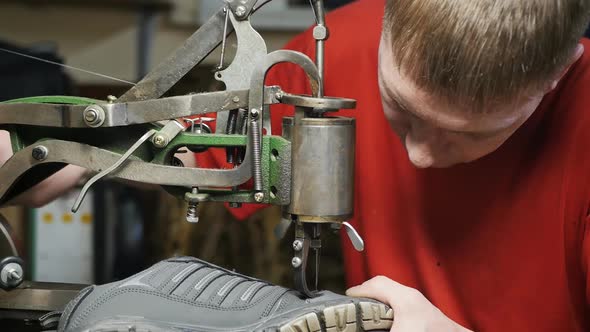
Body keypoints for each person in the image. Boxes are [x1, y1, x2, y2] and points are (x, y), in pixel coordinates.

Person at [3, 0, 590, 330]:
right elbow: (172, 142)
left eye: (467, 135)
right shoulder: (329, 51)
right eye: (401, 112)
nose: (420, 155)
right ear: (386, 20)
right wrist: (45, 152)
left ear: (562, 70)